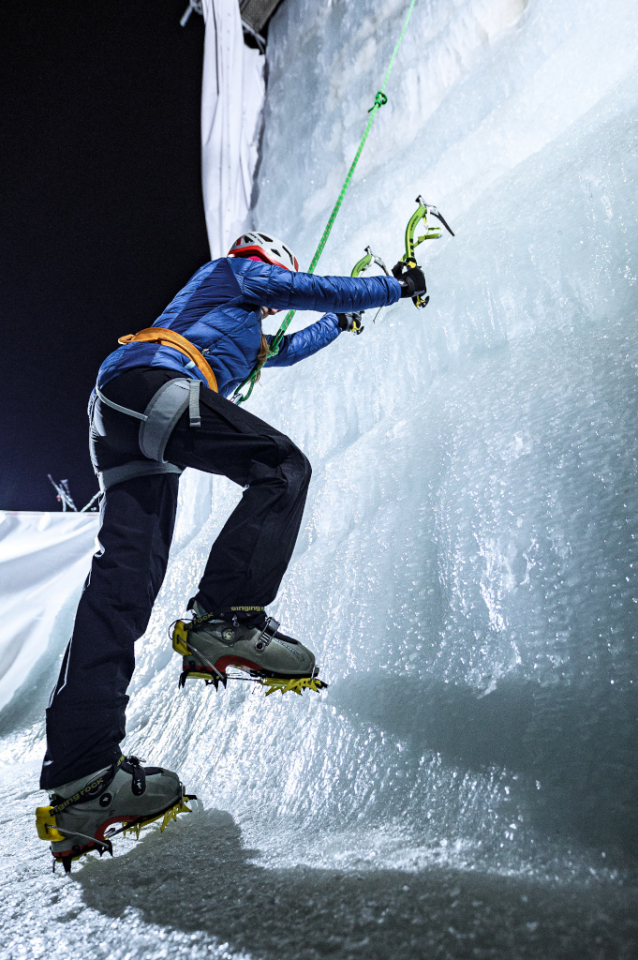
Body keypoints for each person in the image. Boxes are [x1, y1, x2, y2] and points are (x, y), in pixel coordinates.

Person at [35, 232, 426, 870]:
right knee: (280, 468)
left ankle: (83, 781)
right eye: (275, 283)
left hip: (123, 414)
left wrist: (343, 321)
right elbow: (307, 289)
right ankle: (227, 616)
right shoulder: (234, 274)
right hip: (147, 384)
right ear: (265, 261)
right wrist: (394, 287)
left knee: (122, 592)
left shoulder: (236, 321)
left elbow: (288, 350)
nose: (270, 307)